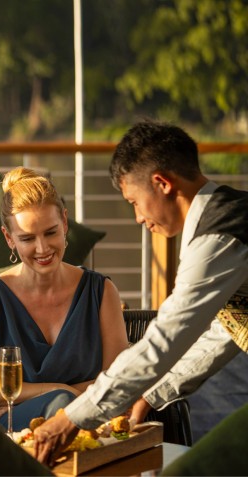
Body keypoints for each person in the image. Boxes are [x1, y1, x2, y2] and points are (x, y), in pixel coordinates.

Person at [34, 120, 248, 464]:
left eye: (134, 201)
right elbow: (228, 330)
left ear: (162, 183)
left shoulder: (218, 238)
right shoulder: (227, 216)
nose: (137, 218)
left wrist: (72, 418)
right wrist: (151, 393)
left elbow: (164, 340)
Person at [0, 167, 128, 432]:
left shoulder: (102, 291)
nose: (42, 249)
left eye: (51, 232)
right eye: (27, 238)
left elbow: (117, 380)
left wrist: (64, 394)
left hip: (91, 424)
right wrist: (57, 391)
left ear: (65, 223)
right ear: (9, 238)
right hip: (15, 431)